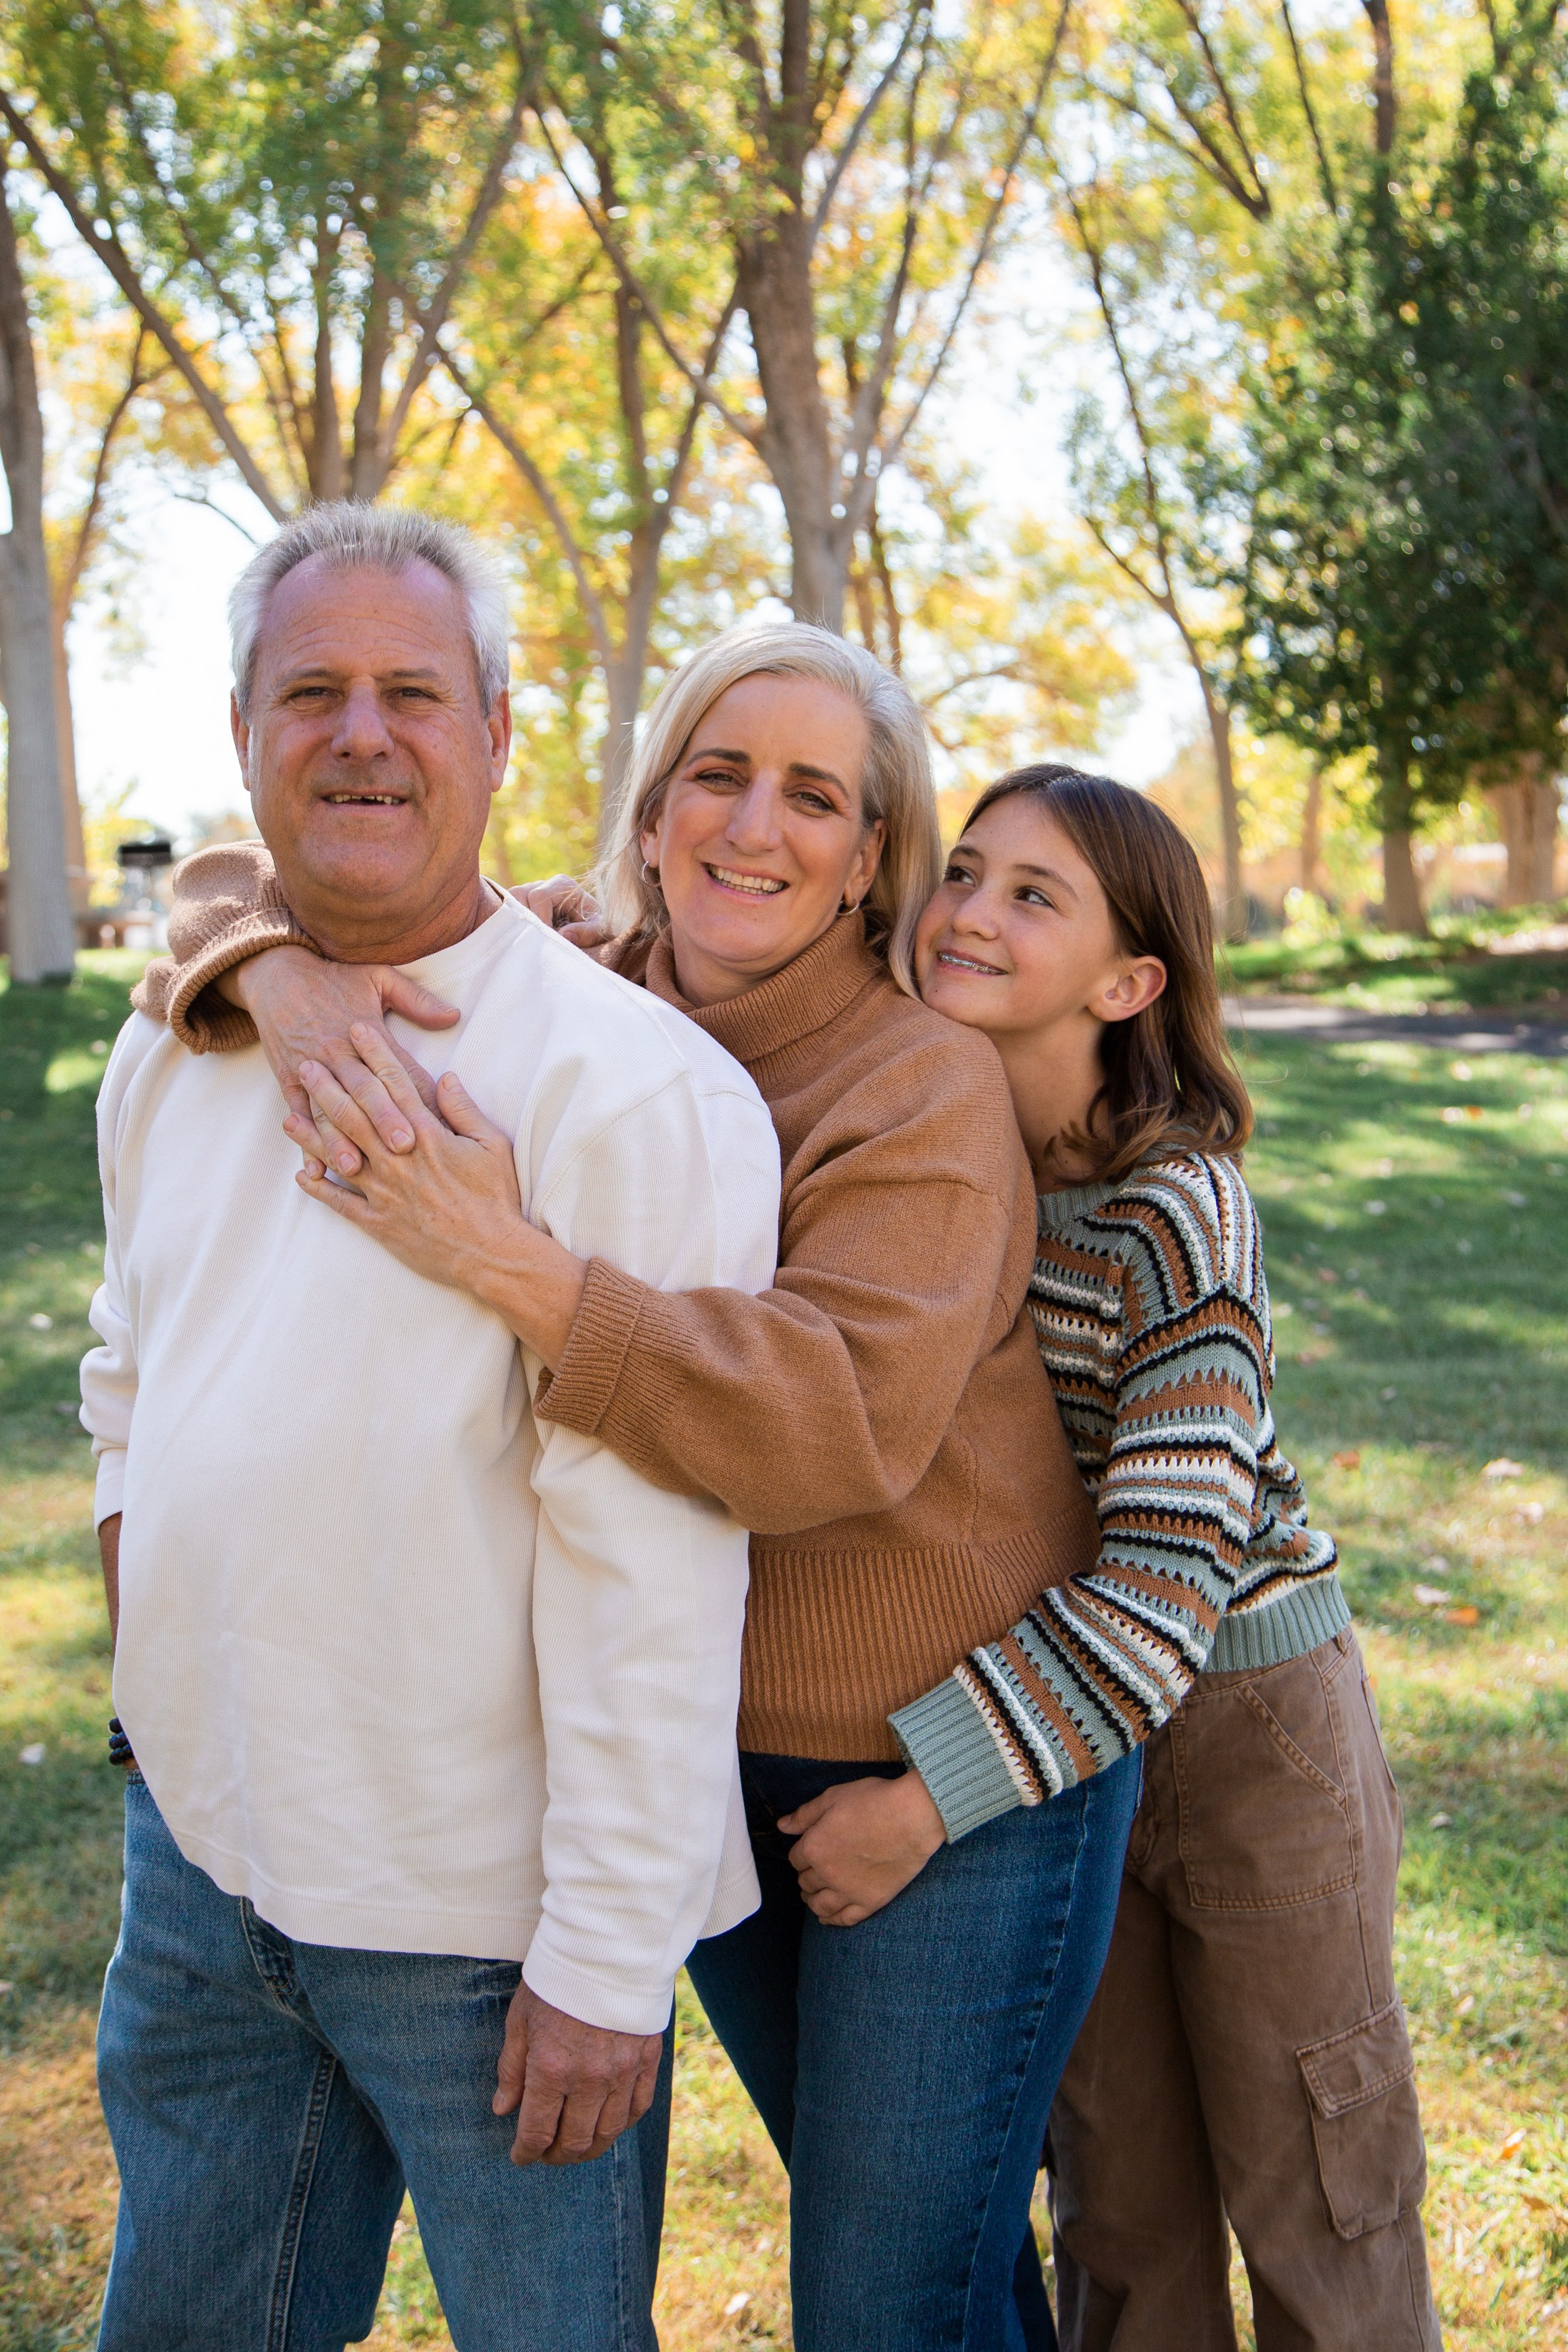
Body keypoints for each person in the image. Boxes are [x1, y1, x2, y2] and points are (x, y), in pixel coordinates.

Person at [133, 624, 1140, 2352]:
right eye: (717, 776)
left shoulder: (919, 1084)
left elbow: (828, 1426)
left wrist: (505, 1263)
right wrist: (272, 973)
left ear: (869, 857)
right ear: (654, 808)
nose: (753, 826)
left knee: (893, 2300)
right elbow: (253, 873)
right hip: (718, 1752)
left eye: (811, 798)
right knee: (915, 2269)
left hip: (945, 1760)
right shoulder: (576, 978)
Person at [77, 503, 783, 2352]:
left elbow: (655, 1553)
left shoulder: (628, 1091)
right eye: (311, 691)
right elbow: (128, 1379)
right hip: (203, 1878)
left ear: (497, 728)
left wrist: (607, 1958)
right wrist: (160, 1717)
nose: (362, 734)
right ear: (243, 731)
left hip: (483, 1926)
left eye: (412, 691)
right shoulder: (175, 1046)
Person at [826, 764, 1437, 2351]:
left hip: (1247, 1730)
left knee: (1318, 2191)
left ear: (1127, 983)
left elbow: (1166, 1591)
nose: (968, 911)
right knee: (1118, 2209)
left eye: (1033, 895)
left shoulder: (1177, 1207)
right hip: (1069, 1747)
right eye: (965, 871)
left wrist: (922, 1799)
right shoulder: (939, 1165)